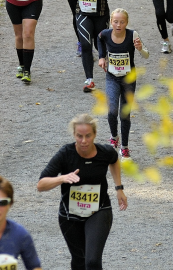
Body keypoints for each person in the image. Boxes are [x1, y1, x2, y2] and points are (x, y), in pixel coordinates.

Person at [37, 114, 127, 270]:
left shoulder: (105, 152)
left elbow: (114, 160)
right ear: (74, 135)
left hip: (99, 210)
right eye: (79, 136)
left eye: (88, 136)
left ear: (94, 135)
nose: (84, 141)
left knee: (92, 261)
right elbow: (41, 184)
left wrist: (119, 188)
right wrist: (62, 178)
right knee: (79, 260)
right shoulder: (65, 154)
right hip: (69, 215)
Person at [97, 8, 149, 159]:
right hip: (112, 77)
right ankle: (114, 136)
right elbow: (99, 39)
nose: (118, 25)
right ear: (111, 22)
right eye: (115, 21)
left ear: (127, 23)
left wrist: (140, 49)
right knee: (112, 111)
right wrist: (101, 57)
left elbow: (146, 54)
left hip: (128, 80)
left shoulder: (133, 35)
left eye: (122, 22)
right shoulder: (105, 33)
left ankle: (125, 147)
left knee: (124, 114)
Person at [69, 0, 119, 93]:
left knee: (100, 45)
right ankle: (89, 80)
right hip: (82, 12)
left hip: (100, 14)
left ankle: (115, 71)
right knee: (85, 44)